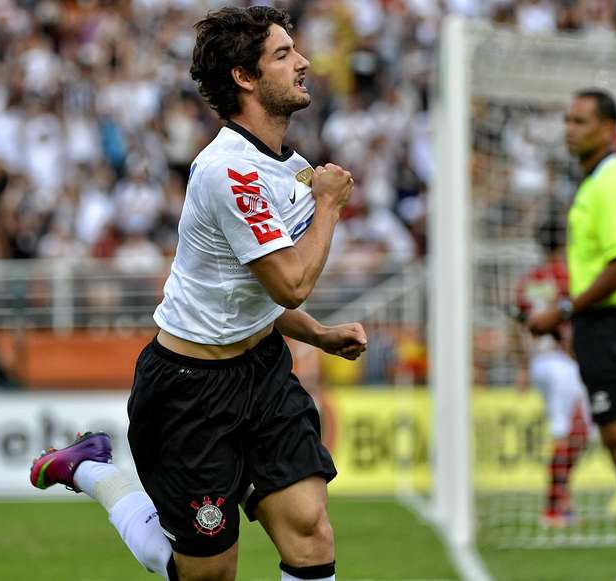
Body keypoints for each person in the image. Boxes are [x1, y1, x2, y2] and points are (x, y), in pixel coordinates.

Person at [30, 7, 367, 581]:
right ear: (245, 77)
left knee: (310, 532)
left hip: (261, 372)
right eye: (284, 55)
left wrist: (319, 334)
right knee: (207, 575)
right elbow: (291, 282)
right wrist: (330, 205)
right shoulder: (227, 173)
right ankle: (94, 470)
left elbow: (248, 292)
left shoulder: (289, 169)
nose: (304, 63)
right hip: (189, 393)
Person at [527, 89, 616, 581]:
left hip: (613, 328)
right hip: (600, 330)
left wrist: (562, 310)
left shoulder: (610, 185)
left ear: (609, 129)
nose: (569, 128)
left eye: (580, 120)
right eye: (566, 119)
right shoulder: (593, 182)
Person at [512, 218, 590, 528]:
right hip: (562, 361)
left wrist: (523, 366)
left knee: (575, 431)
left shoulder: (530, 279)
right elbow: (569, 320)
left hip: (539, 361)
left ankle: (562, 500)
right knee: (570, 432)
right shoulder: (566, 275)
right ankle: (554, 507)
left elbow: (518, 326)